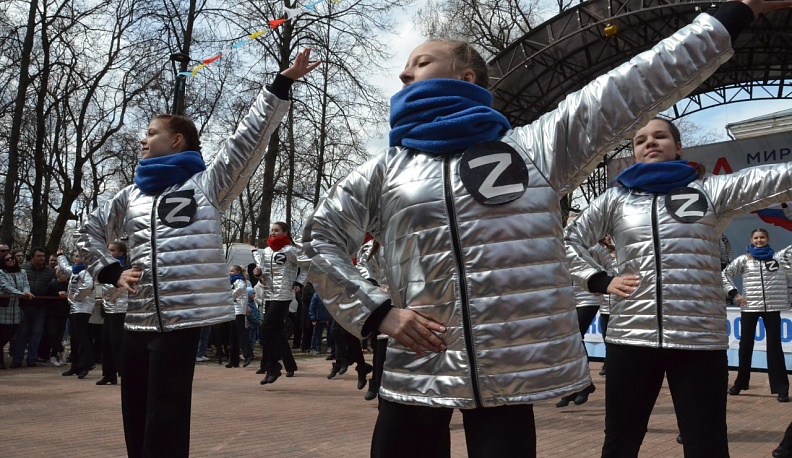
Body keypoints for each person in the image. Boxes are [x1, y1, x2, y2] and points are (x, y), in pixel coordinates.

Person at [302, 2, 783, 456]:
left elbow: (636, 83)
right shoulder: (386, 170)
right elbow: (319, 238)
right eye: (405, 67)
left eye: (421, 62)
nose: (405, 74)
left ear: (465, 77)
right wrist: (378, 311)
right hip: (416, 366)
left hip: (508, 375)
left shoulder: (534, 149)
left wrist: (737, 11)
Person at [75, 50, 319, 457]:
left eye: (151, 133)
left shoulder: (206, 185)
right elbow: (87, 232)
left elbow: (248, 141)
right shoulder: (130, 196)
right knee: (134, 409)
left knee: (166, 417)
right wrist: (111, 271)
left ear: (177, 140)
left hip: (182, 320)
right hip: (136, 318)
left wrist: (281, 84)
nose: (142, 140)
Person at [565, 110, 792, 457]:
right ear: (634, 151)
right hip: (631, 339)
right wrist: (599, 279)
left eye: (659, 136)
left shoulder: (710, 190)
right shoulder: (615, 199)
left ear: (678, 146)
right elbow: (567, 241)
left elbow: (777, 177)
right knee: (620, 443)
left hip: (698, 342)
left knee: (707, 445)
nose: (650, 143)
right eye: (640, 140)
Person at [722, 228, 791, 402]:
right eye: (756, 238)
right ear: (751, 240)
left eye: (762, 237)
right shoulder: (744, 260)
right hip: (750, 308)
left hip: (772, 308)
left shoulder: (778, 258)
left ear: (768, 239)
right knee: (745, 346)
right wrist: (735, 294)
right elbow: (725, 274)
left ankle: (781, 388)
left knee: (775, 347)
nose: (759, 240)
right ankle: (740, 383)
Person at [556, 239, 614, 408]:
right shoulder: (560, 246)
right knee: (569, 343)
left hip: (589, 298)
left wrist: (600, 283)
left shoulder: (595, 248)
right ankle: (575, 385)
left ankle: (583, 384)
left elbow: (611, 268)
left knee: (575, 339)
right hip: (568, 299)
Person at [252, 222, 308, 384]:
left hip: (283, 294)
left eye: (276, 230)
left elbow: (307, 267)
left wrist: (299, 282)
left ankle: (274, 365)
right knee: (276, 332)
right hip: (268, 294)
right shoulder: (267, 251)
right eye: (272, 230)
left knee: (266, 328)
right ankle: (278, 366)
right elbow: (262, 270)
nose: (273, 232)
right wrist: (258, 273)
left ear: (285, 232)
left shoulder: (291, 250)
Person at [13, 246, 55, 368]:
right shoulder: (22, 269)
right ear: (32, 257)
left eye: (43, 256)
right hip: (24, 306)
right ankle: (17, 359)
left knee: (36, 333)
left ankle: (32, 359)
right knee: (22, 333)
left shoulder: (49, 271)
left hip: (40, 307)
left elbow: (53, 287)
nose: (41, 258)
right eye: (38, 256)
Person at [58, 250, 96, 379]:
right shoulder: (75, 271)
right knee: (73, 336)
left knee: (80, 335)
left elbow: (88, 286)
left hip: (83, 307)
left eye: (78, 256)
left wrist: (77, 296)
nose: (75, 259)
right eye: (75, 256)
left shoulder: (87, 271)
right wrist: (60, 256)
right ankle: (75, 365)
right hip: (74, 307)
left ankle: (87, 363)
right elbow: (65, 267)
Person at [96, 241, 130, 385]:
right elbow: (100, 283)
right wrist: (99, 297)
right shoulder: (106, 267)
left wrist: (110, 296)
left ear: (121, 253)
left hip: (121, 309)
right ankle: (109, 374)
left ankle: (125, 373)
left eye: (112, 250)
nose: (109, 253)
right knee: (106, 343)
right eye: (108, 250)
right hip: (108, 308)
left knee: (118, 343)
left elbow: (122, 288)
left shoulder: (124, 268)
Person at [0, 251, 33, 369]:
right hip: (3, 307)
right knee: (1, 334)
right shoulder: (1, 273)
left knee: (11, 333)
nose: (10, 261)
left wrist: (27, 292)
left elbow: (26, 284)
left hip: (16, 308)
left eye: (12, 258)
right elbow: (6, 287)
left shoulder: (22, 272)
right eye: (7, 259)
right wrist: (21, 294)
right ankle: (1, 362)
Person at [44, 267, 70, 366]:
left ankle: (54, 355)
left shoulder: (69, 285)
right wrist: (57, 294)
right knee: (52, 333)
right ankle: (61, 350)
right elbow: (46, 296)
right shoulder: (52, 284)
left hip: (64, 313)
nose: (65, 276)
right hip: (52, 313)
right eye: (63, 273)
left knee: (60, 334)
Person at [227, 264, 252, 368]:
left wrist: (228, 295)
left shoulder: (240, 281)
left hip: (239, 310)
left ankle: (248, 354)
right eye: (230, 271)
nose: (230, 273)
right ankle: (233, 360)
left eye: (232, 271)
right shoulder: (231, 281)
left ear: (238, 272)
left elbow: (236, 292)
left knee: (241, 332)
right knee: (233, 335)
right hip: (233, 310)